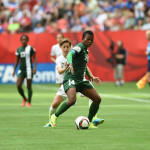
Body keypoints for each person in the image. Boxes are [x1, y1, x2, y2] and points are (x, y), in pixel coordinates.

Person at [44, 38, 104, 127]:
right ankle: (52, 118)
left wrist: (91, 76)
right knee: (56, 103)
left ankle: (92, 119)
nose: (66, 49)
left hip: (80, 80)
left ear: (70, 47)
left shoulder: (81, 52)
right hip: (68, 80)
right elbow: (60, 70)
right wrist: (68, 66)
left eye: (67, 47)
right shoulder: (61, 58)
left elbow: (85, 66)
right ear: (61, 48)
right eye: (64, 47)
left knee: (94, 97)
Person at [12, 35, 37, 107]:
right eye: (23, 40)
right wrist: (14, 70)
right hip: (21, 69)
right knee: (18, 85)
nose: (24, 41)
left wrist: (34, 68)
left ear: (27, 40)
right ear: (21, 41)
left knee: (29, 86)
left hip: (29, 69)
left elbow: (35, 59)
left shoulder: (31, 48)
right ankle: (24, 98)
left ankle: (29, 102)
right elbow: (17, 60)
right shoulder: (19, 49)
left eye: (25, 40)